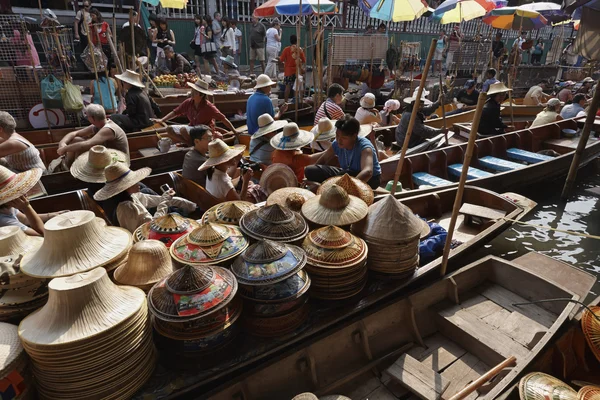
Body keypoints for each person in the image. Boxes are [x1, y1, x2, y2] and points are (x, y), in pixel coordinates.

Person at [94, 164, 196, 232]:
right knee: (175, 216)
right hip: (146, 237)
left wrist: (190, 205)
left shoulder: (131, 196)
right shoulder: (126, 207)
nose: (138, 183)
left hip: (149, 229)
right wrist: (165, 201)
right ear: (126, 186)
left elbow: (151, 199)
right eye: (134, 181)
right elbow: (152, 226)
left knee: (178, 212)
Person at [305, 115, 382, 189]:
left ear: (354, 136)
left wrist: (347, 187)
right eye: (337, 136)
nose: (339, 140)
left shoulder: (365, 147)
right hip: (346, 173)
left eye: (343, 138)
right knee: (310, 170)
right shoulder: (336, 144)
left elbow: (368, 172)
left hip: (370, 179)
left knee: (343, 175)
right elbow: (323, 160)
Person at [156, 79, 238, 144]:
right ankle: (190, 144)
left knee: (183, 130)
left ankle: (193, 145)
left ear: (201, 95)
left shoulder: (209, 107)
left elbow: (223, 119)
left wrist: (234, 131)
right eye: (192, 91)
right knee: (169, 129)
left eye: (195, 92)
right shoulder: (188, 102)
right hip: (193, 128)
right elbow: (175, 112)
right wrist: (162, 120)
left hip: (205, 132)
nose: (192, 93)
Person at [58, 104, 129, 167]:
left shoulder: (108, 129)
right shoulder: (97, 125)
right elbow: (75, 133)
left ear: (92, 118)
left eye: (87, 116)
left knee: (80, 146)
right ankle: (70, 167)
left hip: (119, 161)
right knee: (76, 140)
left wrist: (65, 149)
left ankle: (71, 168)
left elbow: (87, 144)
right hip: (106, 155)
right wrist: (62, 143)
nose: (87, 118)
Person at [279, 35, 305, 103]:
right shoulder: (299, 50)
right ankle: (295, 101)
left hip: (288, 71)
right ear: (297, 41)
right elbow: (304, 60)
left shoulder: (286, 49)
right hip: (296, 71)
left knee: (287, 87)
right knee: (295, 87)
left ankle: (286, 101)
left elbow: (281, 59)